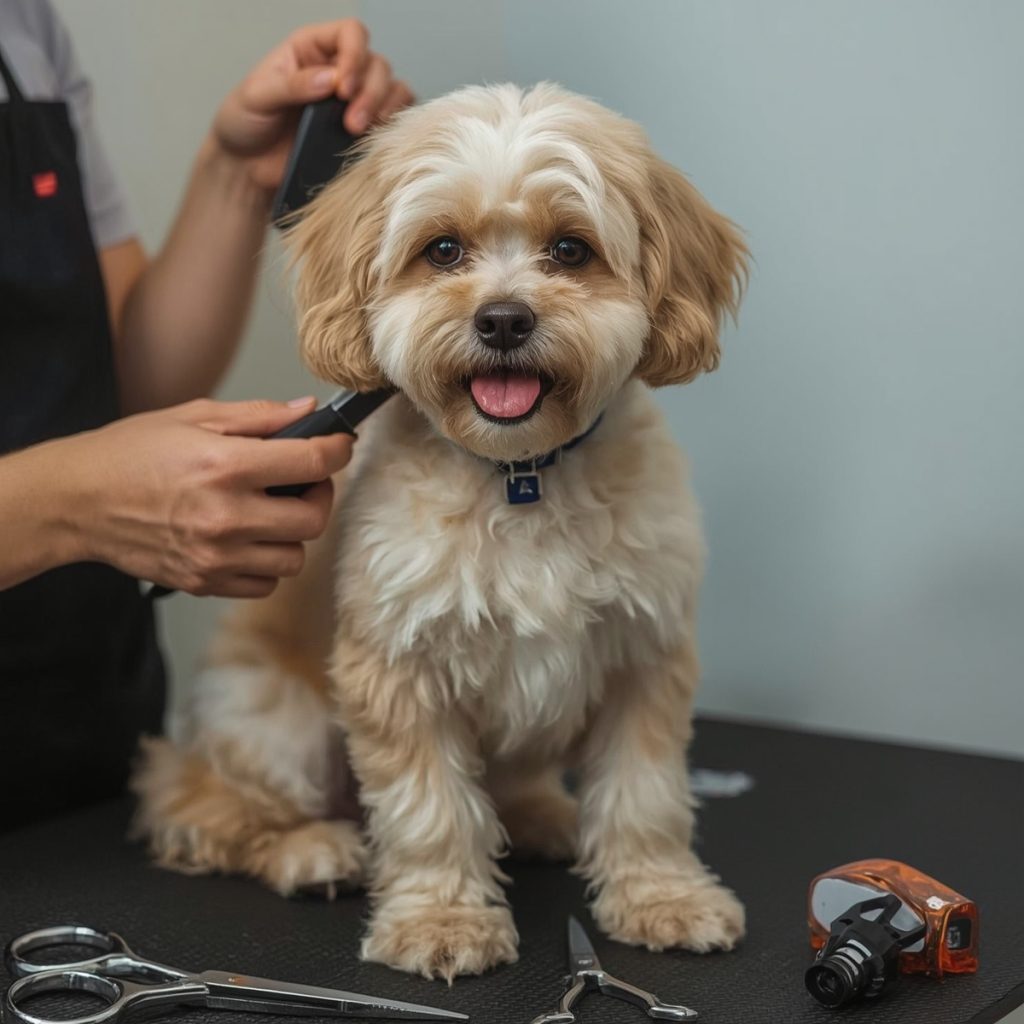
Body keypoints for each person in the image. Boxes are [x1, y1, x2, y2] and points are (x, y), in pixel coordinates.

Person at [0, 0, 413, 829]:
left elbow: (127, 378)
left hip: (73, 726)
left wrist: (238, 175)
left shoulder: (24, 27)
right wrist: (70, 504)